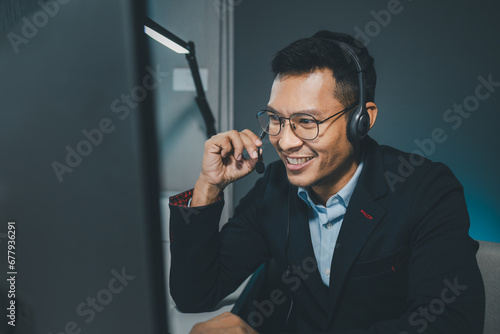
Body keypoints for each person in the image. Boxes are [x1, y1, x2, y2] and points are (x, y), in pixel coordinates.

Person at [169, 30, 485, 333]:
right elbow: (196, 294)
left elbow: (450, 325)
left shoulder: (426, 189)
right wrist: (209, 185)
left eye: (306, 122)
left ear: (363, 119)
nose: (285, 141)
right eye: (276, 119)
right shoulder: (275, 187)